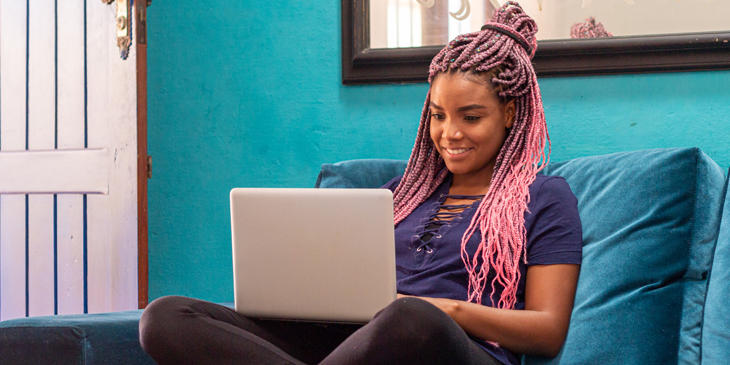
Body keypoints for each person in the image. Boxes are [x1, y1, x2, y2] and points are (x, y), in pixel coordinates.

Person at [139, 2, 582, 364]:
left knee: (410, 318)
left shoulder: (544, 198)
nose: (450, 133)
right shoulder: (399, 195)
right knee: (165, 316)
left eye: (471, 117)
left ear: (509, 114)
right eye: (438, 116)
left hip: (446, 346)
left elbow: (546, 330)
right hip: (354, 344)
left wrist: (442, 310)